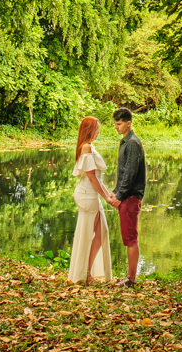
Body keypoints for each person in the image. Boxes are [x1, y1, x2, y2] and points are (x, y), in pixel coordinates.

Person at [67, 116, 116, 284]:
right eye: (97, 128)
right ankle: (85, 274)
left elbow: (98, 179)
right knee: (90, 234)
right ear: (90, 130)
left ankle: (86, 272)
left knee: (101, 233)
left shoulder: (88, 146)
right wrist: (106, 197)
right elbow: (92, 177)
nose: (98, 132)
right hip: (87, 194)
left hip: (91, 193)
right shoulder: (86, 147)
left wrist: (108, 194)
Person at [108, 106, 146, 287]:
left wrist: (120, 195)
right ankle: (129, 277)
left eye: (119, 124)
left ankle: (131, 279)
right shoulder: (125, 141)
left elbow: (130, 173)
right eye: (115, 124)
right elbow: (122, 172)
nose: (116, 127)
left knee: (131, 238)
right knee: (128, 237)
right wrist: (116, 192)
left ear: (128, 123)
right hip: (125, 196)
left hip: (130, 197)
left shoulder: (132, 143)